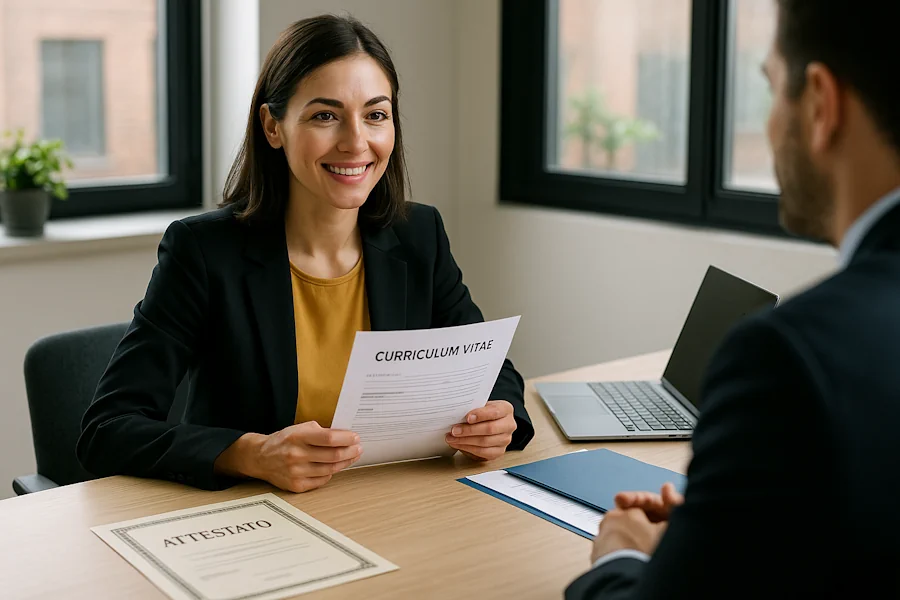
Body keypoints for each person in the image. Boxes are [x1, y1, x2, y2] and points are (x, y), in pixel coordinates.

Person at [76, 15, 533, 493]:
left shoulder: (418, 234)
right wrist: (250, 454)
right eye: (325, 115)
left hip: (393, 502)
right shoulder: (205, 252)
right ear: (273, 127)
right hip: (257, 520)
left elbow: (490, 367)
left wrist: (500, 419)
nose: (357, 142)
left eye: (376, 114)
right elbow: (107, 429)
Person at [567, 1, 900, 598]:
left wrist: (619, 557)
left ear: (821, 105)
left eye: (773, 89)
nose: (771, 124)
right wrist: (720, 533)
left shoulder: (787, 357)